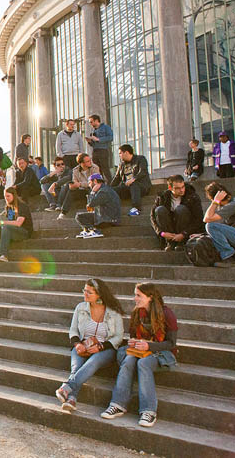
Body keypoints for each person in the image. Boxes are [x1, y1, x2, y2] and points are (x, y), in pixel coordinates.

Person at [101, 283, 178, 428]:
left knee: (143, 363)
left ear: (150, 297)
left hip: (163, 354)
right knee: (129, 359)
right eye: (135, 294)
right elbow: (134, 336)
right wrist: (134, 342)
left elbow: (171, 343)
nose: (135, 298)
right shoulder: (137, 313)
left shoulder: (167, 313)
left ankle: (149, 411)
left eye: (138, 295)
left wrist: (150, 345)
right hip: (141, 352)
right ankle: (118, 404)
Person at [55, 278, 124, 412]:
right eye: (84, 290)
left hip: (105, 349)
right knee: (76, 367)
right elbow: (73, 330)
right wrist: (77, 344)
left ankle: (67, 388)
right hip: (83, 344)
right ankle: (71, 399)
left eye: (89, 292)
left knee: (93, 362)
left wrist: (100, 347)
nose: (85, 294)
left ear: (99, 295)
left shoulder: (113, 312)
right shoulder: (81, 308)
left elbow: (119, 337)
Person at [150, 175, 205, 251]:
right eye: (178, 188)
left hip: (186, 229)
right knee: (159, 209)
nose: (182, 190)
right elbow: (153, 217)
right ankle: (170, 243)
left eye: (183, 187)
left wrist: (184, 234)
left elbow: (198, 219)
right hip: (169, 228)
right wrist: (161, 233)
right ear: (170, 188)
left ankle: (181, 243)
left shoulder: (192, 196)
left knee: (181, 209)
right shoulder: (163, 197)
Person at [110, 144, 151, 216]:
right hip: (127, 188)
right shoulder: (121, 165)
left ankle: (136, 208)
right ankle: (110, 210)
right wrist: (108, 189)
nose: (119, 155)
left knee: (133, 185)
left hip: (141, 186)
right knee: (112, 190)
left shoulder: (140, 159)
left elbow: (143, 172)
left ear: (126, 152)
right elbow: (116, 178)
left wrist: (133, 179)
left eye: (120, 153)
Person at [75, 174, 121, 238]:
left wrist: (92, 192)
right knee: (82, 216)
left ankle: (94, 231)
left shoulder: (104, 191)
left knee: (79, 216)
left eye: (89, 182)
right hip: (108, 217)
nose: (89, 185)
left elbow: (90, 204)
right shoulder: (105, 189)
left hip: (108, 219)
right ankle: (87, 231)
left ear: (95, 181)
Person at [57, 153, 100, 220]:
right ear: (81, 163)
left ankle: (94, 213)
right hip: (81, 190)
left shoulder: (95, 168)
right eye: (88, 161)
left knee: (92, 190)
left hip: (93, 189)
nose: (90, 162)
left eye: (90, 160)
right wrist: (73, 186)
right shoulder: (75, 170)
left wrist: (80, 184)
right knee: (71, 191)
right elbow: (74, 182)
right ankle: (63, 212)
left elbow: (95, 183)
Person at [203, 182, 235, 266]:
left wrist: (215, 201)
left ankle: (228, 256)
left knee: (210, 226)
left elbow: (207, 219)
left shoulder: (232, 205)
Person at [85, 114, 113, 182]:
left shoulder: (106, 127)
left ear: (96, 120)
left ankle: (111, 184)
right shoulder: (93, 131)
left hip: (103, 150)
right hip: (95, 151)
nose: (90, 124)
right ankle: (100, 183)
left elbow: (110, 137)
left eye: (91, 122)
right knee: (97, 169)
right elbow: (94, 143)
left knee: (105, 168)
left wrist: (98, 139)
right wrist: (89, 142)